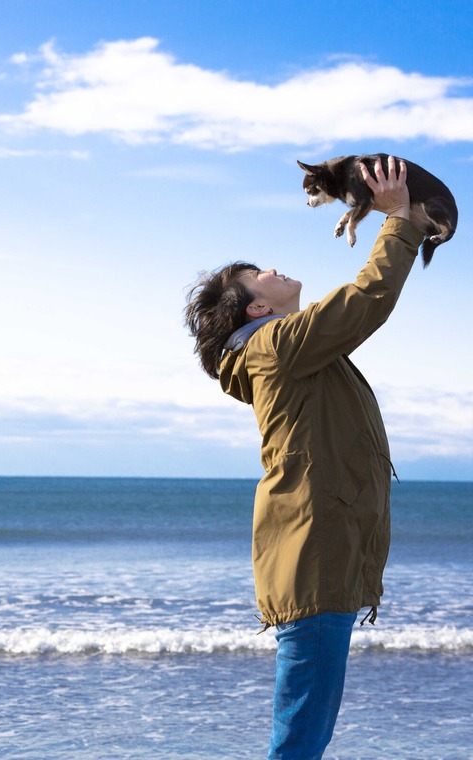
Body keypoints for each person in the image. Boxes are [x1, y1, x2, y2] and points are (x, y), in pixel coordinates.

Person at [183, 156, 422, 759]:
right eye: (254, 275)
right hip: (313, 553)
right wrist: (396, 222)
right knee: (300, 735)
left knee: (307, 729)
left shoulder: (291, 354)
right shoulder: (273, 346)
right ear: (255, 310)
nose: (271, 268)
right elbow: (363, 302)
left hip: (320, 553)